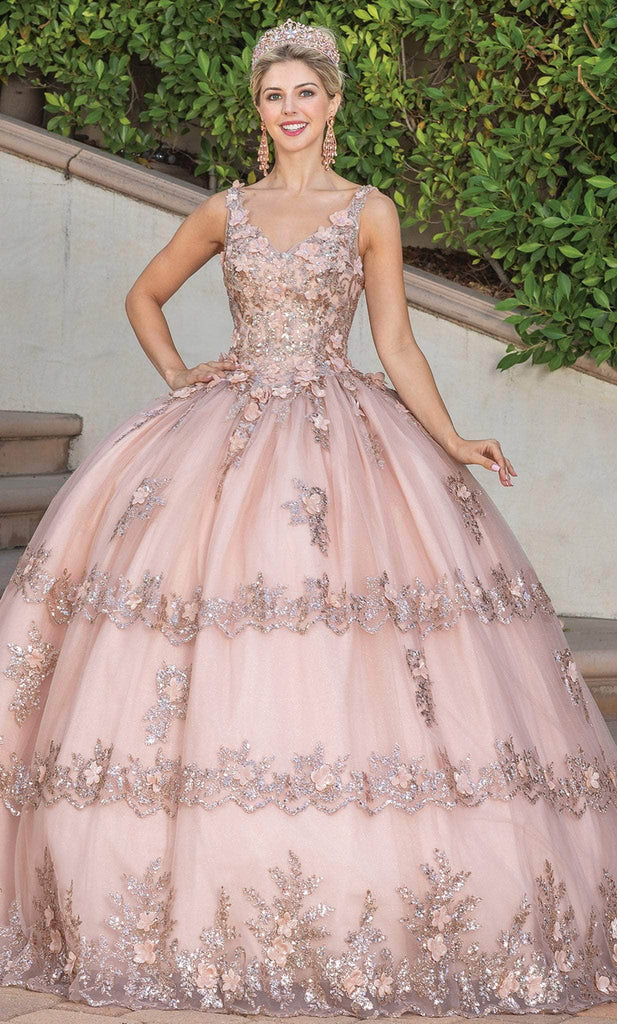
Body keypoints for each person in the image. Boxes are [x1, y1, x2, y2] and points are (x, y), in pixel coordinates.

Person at [1, 16, 617, 1019]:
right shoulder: (226, 209)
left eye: (303, 93)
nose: (288, 109)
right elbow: (145, 295)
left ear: (332, 105)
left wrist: (451, 438)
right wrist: (179, 374)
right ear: (258, 110)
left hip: (342, 438)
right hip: (225, 433)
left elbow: (396, 343)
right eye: (271, 95)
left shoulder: (369, 211)